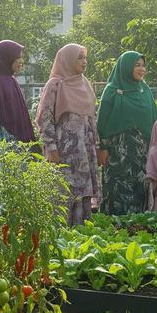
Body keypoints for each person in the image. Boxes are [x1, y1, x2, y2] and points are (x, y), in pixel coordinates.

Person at [36, 43, 101, 225]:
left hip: (84, 152)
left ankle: (81, 237)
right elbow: (44, 118)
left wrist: (96, 146)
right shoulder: (55, 84)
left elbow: (91, 119)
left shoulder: (85, 83)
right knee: (64, 194)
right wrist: (52, 147)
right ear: (68, 60)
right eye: (79, 57)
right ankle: (60, 239)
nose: (84, 61)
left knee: (83, 195)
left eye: (85, 57)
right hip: (64, 152)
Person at [97, 50, 157, 215]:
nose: (141, 69)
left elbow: (155, 118)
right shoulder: (111, 90)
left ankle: (138, 228)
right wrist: (102, 148)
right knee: (117, 192)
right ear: (126, 67)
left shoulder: (144, 90)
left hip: (142, 153)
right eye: (137, 65)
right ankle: (114, 230)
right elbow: (102, 121)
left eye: (143, 65)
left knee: (141, 189)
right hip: (117, 155)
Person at [0, 40, 36, 143]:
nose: (21, 61)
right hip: (5, 144)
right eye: (17, 57)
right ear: (6, 57)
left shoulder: (8, 79)